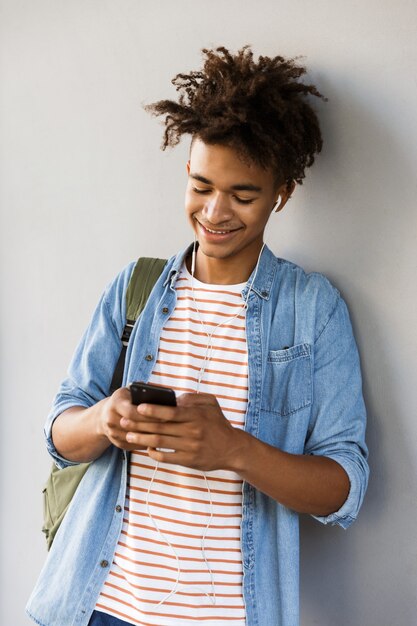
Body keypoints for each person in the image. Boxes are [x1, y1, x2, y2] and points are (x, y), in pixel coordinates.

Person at [27, 46, 369, 626]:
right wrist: (104, 420)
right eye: (201, 185)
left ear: (281, 194)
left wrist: (233, 449)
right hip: (95, 605)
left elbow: (344, 487)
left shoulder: (313, 310)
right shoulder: (135, 289)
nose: (214, 212)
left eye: (243, 194)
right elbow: (62, 432)